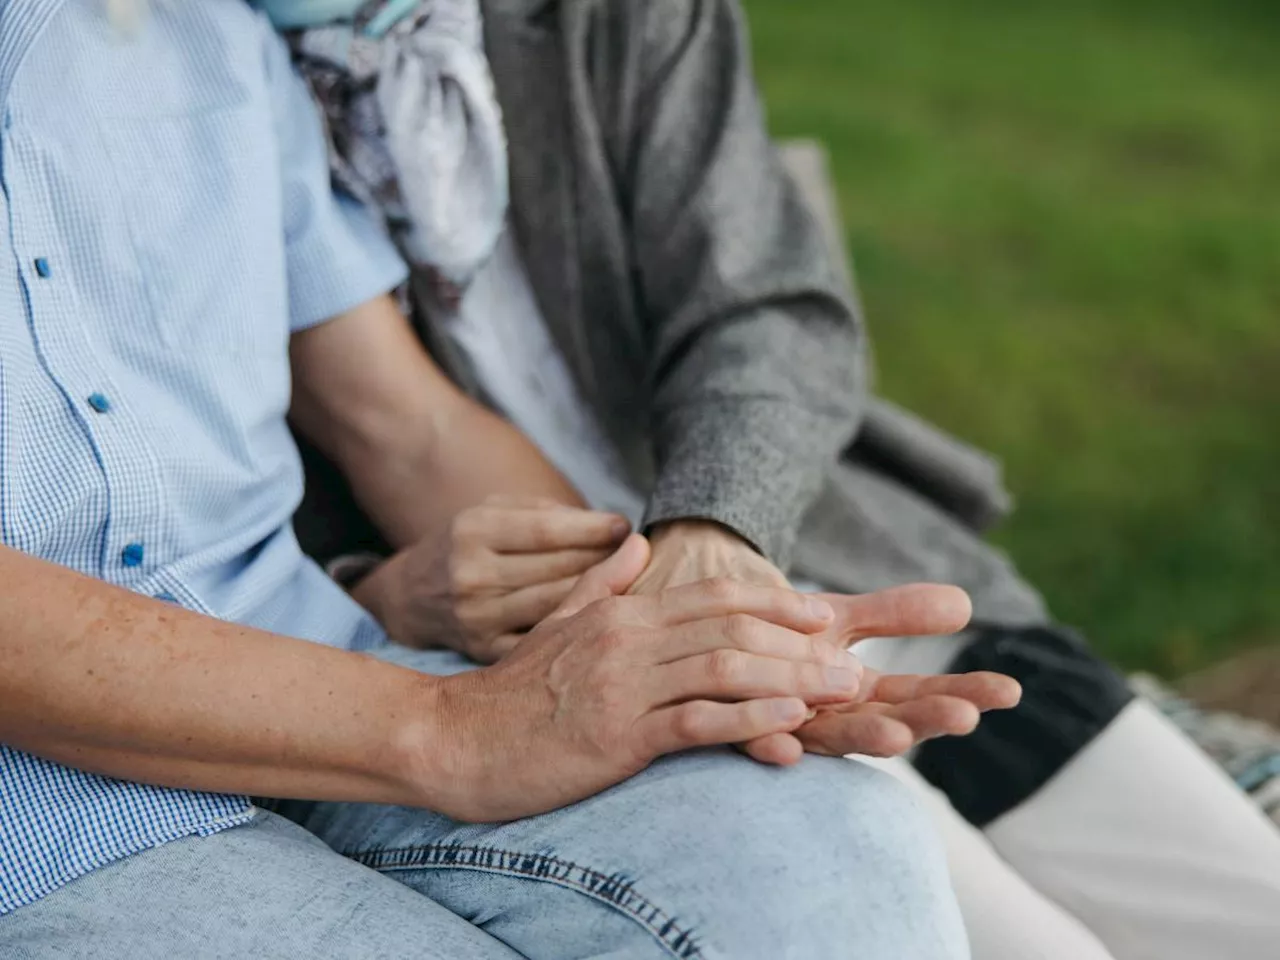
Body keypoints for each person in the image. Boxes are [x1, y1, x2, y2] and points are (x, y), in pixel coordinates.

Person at [0, 2, 1025, 958]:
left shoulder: (215, 37)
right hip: (47, 819)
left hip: (322, 658)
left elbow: (405, 424)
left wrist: (685, 637)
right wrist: (452, 733)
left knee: (831, 852)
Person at [282, 1, 1280, 959]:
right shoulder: (191, 73)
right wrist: (370, 584)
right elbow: (194, 504)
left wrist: (715, 526)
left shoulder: (605, 16)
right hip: (545, 681)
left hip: (818, 557)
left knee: (1250, 913)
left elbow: (767, 311)